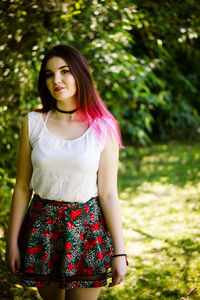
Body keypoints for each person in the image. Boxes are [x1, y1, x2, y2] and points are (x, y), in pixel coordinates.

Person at [6, 44, 128, 300]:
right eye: (49, 74)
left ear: (80, 74)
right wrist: (12, 242)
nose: (56, 80)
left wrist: (119, 252)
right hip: (42, 229)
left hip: (87, 229)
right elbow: (21, 187)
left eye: (64, 71)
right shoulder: (34, 122)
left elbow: (108, 194)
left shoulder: (102, 126)